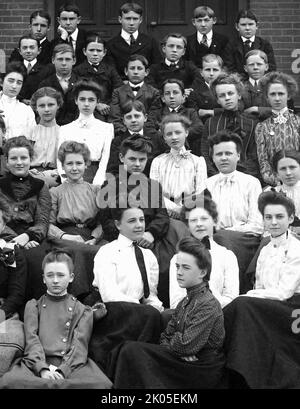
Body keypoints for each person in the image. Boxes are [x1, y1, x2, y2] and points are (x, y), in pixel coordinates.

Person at [113, 236, 226, 389]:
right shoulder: (185, 302)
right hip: (183, 361)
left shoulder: (208, 304)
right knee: (127, 349)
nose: (179, 272)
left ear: (202, 272)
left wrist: (181, 346)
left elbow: (186, 346)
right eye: (177, 267)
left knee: (132, 351)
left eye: (186, 268)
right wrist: (179, 345)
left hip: (201, 368)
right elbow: (165, 338)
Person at [98, 134, 189, 307]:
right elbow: (107, 221)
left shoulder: (153, 186)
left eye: (142, 159)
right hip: (121, 239)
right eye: (132, 159)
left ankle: (168, 305)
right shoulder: (110, 185)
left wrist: (151, 233)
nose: (137, 164)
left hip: (150, 239)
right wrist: (129, 236)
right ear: (121, 157)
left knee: (166, 263)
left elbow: (162, 217)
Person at [0, 249, 112, 389]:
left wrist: (64, 369)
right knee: (10, 382)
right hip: (37, 361)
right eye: (50, 275)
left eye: (61, 275)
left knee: (101, 385)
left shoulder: (82, 310)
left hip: (71, 364)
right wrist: (42, 368)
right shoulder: (33, 306)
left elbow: (80, 343)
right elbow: (31, 338)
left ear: (71, 277)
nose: (55, 280)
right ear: (43, 278)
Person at [224, 190, 300, 389]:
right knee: (245, 309)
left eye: (279, 217)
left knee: (243, 304)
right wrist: (253, 296)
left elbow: (284, 292)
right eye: (268, 217)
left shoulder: (296, 249)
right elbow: (260, 286)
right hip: (269, 305)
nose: (273, 222)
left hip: (291, 309)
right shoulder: (265, 250)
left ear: (291, 218)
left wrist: (249, 295)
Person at [90, 205, 163, 375]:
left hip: (138, 313)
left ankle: (140, 368)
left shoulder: (148, 256)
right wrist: (145, 310)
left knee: (157, 315)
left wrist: (157, 307)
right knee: (149, 315)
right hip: (111, 311)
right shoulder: (107, 251)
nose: (139, 225)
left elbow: (150, 295)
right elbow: (109, 295)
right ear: (118, 225)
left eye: (141, 220)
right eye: (132, 221)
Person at [206, 130, 263, 292]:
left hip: (246, 239)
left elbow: (257, 225)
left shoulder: (251, 183)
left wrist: (227, 232)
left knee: (223, 238)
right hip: (215, 238)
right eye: (219, 154)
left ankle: (236, 292)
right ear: (213, 157)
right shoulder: (207, 184)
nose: (223, 158)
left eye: (228, 153)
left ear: (238, 156)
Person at [169, 195, 239, 309]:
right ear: (187, 226)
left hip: (220, 315)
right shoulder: (177, 259)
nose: (199, 224)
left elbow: (232, 298)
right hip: (187, 316)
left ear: (214, 221)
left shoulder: (227, 256)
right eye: (193, 220)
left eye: (204, 219)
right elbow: (175, 301)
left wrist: (209, 305)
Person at [201, 73, 259, 180]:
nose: (227, 98)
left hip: (245, 178)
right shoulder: (210, 123)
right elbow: (205, 153)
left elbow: (253, 155)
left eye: (230, 93)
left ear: (239, 95)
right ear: (217, 100)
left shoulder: (251, 123)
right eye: (222, 95)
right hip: (216, 177)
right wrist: (216, 175)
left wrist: (242, 176)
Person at [150, 114, 207, 219]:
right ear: (164, 137)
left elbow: (200, 193)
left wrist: (186, 212)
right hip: (164, 213)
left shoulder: (198, 161)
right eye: (169, 134)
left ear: (186, 132)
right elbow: (154, 194)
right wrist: (175, 209)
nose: (174, 137)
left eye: (178, 132)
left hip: (190, 215)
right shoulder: (157, 162)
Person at [57, 79, 114, 186]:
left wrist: (98, 183)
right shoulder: (65, 129)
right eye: (82, 99)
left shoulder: (106, 128)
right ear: (76, 100)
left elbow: (105, 158)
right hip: (71, 175)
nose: (86, 104)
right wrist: (66, 181)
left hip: (96, 174)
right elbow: (60, 159)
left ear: (97, 102)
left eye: (91, 100)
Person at [0, 136, 51, 249]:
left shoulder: (41, 186)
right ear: (7, 161)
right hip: (3, 237)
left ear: (30, 160)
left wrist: (28, 236)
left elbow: (42, 220)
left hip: (32, 239)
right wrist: (15, 240)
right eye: (13, 158)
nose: (19, 162)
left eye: (23, 158)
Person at [49, 141, 103, 245]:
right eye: (69, 163)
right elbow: (48, 225)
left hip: (89, 237)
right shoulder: (55, 192)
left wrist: (95, 238)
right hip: (64, 237)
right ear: (63, 166)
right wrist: (65, 236)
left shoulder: (96, 190)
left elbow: (102, 223)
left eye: (79, 163)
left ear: (86, 164)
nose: (74, 168)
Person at [255, 71, 300, 187]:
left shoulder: (297, 122)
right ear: (267, 97)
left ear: (288, 95)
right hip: (276, 184)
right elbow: (263, 159)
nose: (277, 98)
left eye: (281, 94)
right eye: (273, 94)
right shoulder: (262, 127)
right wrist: (275, 180)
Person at [0, 195, 27, 377]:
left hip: (4, 312)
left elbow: (17, 293)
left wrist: (2, 313)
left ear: (2, 225)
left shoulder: (11, 251)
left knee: (6, 345)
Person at [145, 78, 203, 156]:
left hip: (188, 153)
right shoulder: (155, 114)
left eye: (175, 93)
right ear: (163, 98)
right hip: (161, 153)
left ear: (183, 96)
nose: (171, 96)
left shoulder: (190, 112)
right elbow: (149, 130)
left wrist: (178, 134)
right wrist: (167, 136)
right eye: (167, 93)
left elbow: (199, 128)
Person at [106, 2, 161, 80]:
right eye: (127, 19)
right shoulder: (110, 45)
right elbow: (111, 71)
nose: (131, 23)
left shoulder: (150, 42)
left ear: (141, 20)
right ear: (120, 19)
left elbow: (156, 67)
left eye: (135, 19)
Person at [73, 32, 123, 118]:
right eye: (91, 50)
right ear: (85, 51)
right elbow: (75, 93)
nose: (95, 54)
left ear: (104, 52)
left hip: (108, 108)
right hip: (86, 108)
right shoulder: (78, 70)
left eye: (99, 51)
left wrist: (108, 106)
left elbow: (119, 90)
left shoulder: (110, 70)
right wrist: (96, 105)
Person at [107, 100, 163, 176]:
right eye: (129, 117)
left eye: (137, 116)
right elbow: (114, 169)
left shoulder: (156, 137)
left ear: (145, 117)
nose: (133, 120)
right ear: (124, 121)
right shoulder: (118, 141)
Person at [109, 54, 161, 134]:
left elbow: (153, 120)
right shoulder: (118, 92)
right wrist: (128, 133)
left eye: (139, 68)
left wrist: (140, 133)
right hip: (123, 135)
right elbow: (114, 118)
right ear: (126, 71)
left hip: (147, 135)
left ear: (146, 72)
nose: (135, 72)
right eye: (132, 68)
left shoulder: (154, 93)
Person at [223, 9, 276, 77]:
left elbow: (271, 68)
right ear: (237, 26)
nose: (247, 28)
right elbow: (229, 68)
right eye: (243, 25)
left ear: (257, 25)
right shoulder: (231, 45)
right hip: (239, 83)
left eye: (251, 24)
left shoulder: (265, 44)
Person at [28, 87, 63, 187]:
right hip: (31, 177)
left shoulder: (64, 132)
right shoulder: (30, 132)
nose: (46, 109)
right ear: (36, 107)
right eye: (42, 106)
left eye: (51, 105)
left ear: (58, 105)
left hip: (56, 178)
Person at [39, 43, 79, 125]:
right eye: (60, 59)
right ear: (53, 60)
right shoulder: (45, 84)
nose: (64, 63)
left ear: (74, 61)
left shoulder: (81, 84)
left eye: (67, 59)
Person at [265, 150, 300, 238]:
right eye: (283, 169)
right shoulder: (270, 194)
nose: (288, 173)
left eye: (292, 167)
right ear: (276, 173)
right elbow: (264, 226)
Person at [0, 62, 36, 140]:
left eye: (19, 83)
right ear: (1, 82)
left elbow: (32, 138)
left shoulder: (26, 110)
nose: (14, 86)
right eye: (11, 81)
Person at [186, 54, 224, 123]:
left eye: (215, 70)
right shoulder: (194, 90)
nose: (211, 73)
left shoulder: (227, 86)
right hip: (203, 124)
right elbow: (193, 112)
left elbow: (234, 107)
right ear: (201, 72)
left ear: (221, 71)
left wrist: (211, 112)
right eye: (208, 70)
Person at [15, 35, 53, 104]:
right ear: (20, 51)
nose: (28, 51)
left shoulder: (47, 70)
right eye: (25, 48)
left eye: (32, 48)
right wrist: (21, 100)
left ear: (39, 50)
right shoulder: (14, 69)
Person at [241, 49, 272, 121]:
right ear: (245, 68)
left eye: (259, 64)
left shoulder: (274, 86)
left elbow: (283, 109)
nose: (255, 67)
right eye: (251, 64)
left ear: (266, 67)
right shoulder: (240, 86)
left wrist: (258, 109)